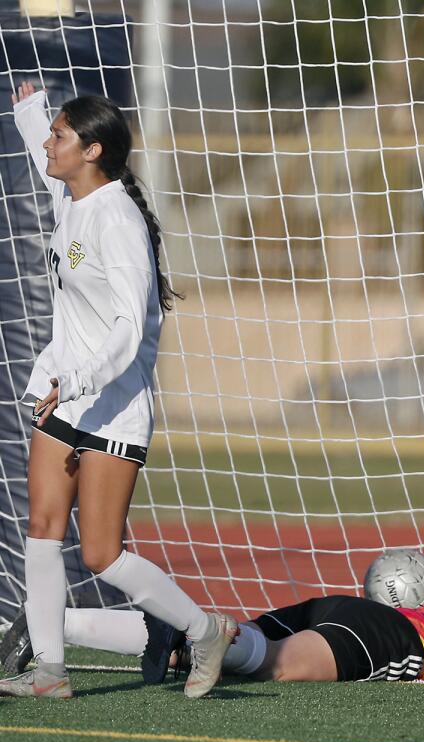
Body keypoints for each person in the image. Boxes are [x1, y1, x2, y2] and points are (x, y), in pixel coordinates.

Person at [0, 82, 236, 701]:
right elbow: (44, 160)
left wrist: (78, 378)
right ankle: (50, 672)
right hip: (64, 398)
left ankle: (203, 629)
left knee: (102, 553)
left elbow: (131, 331)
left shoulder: (119, 221)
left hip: (114, 407)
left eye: (61, 136)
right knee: (44, 529)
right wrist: (30, 111)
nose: (50, 145)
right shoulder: (72, 193)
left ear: (93, 150)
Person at [0, 596, 424, 687]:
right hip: (393, 638)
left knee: (205, 649)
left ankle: (54, 621)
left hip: (344, 607)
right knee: (275, 665)